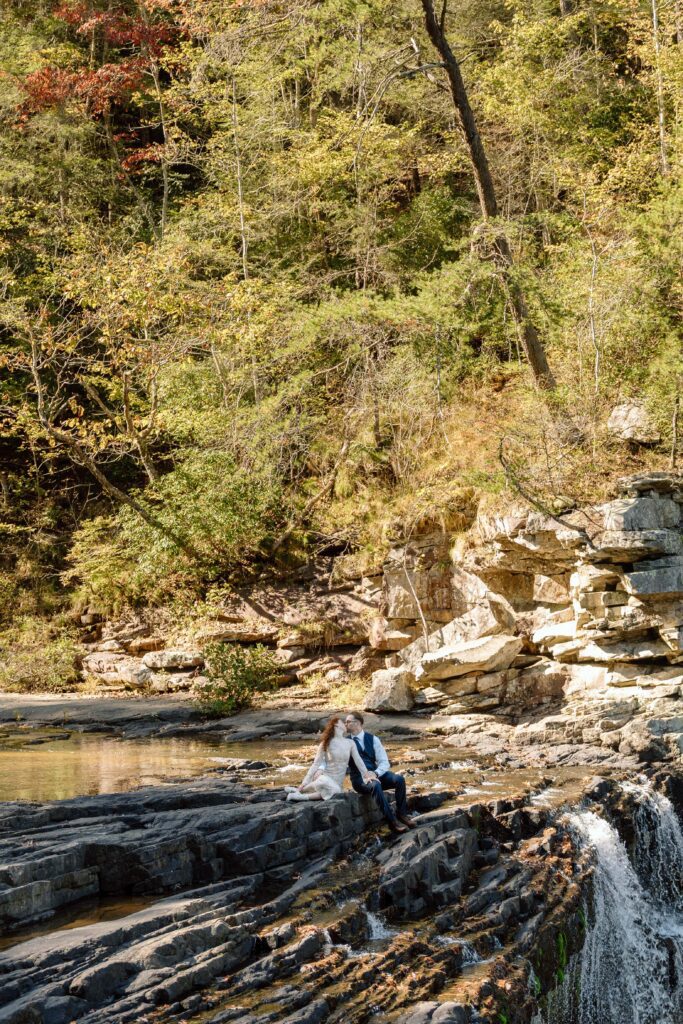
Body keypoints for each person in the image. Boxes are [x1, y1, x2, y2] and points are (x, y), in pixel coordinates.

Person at [344, 711, 416, 834]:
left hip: (375, 773)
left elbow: (384, 762)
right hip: (359, 779)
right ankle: (392, 822)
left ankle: (402, 814)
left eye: (348, 722)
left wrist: (376, 774)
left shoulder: (373, 739)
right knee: (375, 785)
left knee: (399, 779)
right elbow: (334, 760)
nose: (345, 724)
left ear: (358, 723)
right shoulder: (344, 742)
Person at [285, 715, 371, 801]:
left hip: (338, 782)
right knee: (334, 790)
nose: (345, 724)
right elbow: (316, 764)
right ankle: (298, 796)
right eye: (342, 722)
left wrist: (367, 776)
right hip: (325, 778)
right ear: (336, 725)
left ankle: (297, 790)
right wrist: (305, 781)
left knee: (335, 790)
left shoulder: (350, 743)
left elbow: (358, 760)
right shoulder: (326, 743)